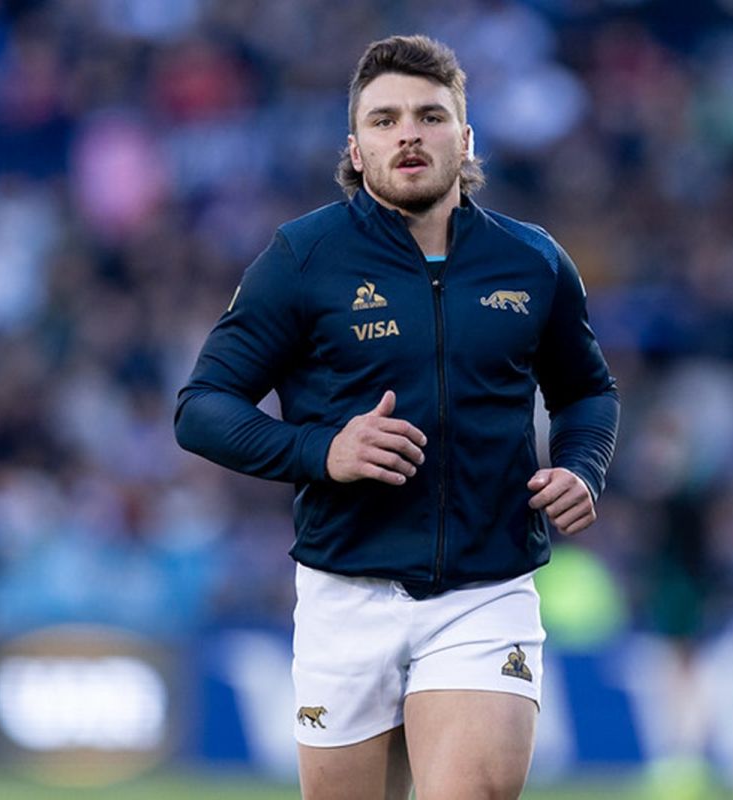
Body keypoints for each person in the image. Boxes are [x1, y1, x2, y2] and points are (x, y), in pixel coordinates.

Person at [175, 34, 619, 800]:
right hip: (345, 593)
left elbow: (587, 392)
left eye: (429, 116)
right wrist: (322, 451)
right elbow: (202, 407)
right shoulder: (303, 257)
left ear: (465, 138)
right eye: (384, 120)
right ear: (356, 148)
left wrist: (582, 466)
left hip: (485, 590)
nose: (408, 133)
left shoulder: (533, 261)